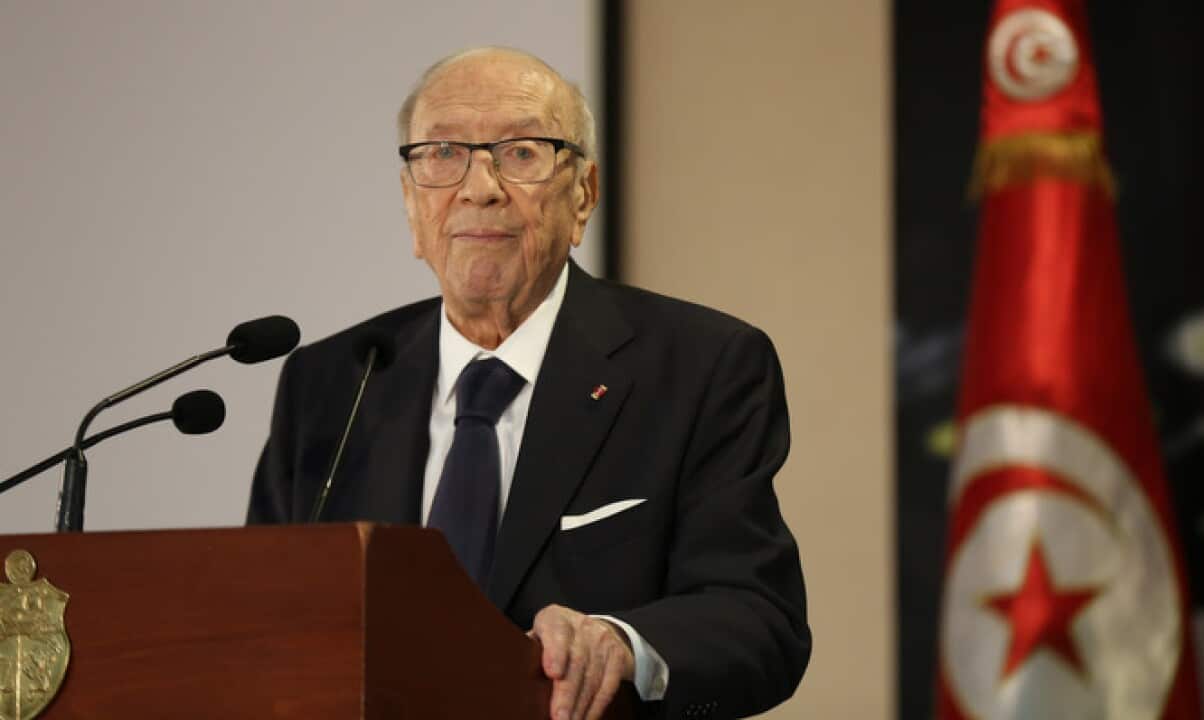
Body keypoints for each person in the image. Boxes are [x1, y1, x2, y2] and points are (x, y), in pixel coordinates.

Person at [247, 47, 809, 720]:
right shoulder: (334, 381)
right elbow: (263, 622)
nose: (478, 187)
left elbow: (758, 619)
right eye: (442, 153)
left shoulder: (701, 366)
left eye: (521, 153)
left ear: (583, 198)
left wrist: (622, 643)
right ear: (410, 206)